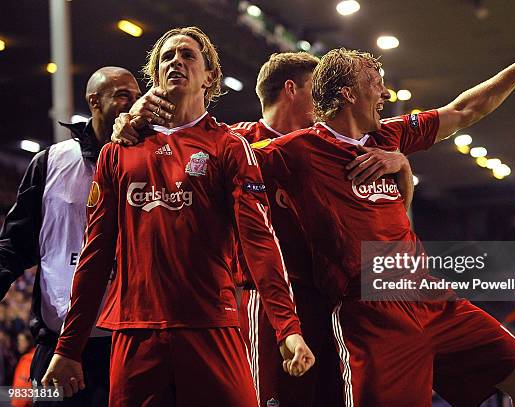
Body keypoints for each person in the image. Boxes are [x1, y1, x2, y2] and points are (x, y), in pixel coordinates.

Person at [250, 39, 515, 406]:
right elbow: (219, 153)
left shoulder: (389, 135)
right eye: (375, 82)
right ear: (347, 93)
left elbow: (464, 110)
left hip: (430, 296)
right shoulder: (295, 151)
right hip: (372, 313)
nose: (385, 92)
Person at [112, 51, 415, 406]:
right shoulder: (239, 142)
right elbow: (187, 141)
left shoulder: (341, 147)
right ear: (291, 90)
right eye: (314, 87)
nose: (323, 96)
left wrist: (402, 165)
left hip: (334, 299)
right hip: (262, 302)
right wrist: (131, 120)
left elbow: (459, 113)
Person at [41, 27, 314, 406]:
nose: (176, 62)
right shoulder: (118, 153)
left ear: (209, 78)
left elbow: (260, 243)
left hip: (210, 326)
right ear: (154, 77)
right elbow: (95, 253)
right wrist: (68, 347)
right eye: (167, 57)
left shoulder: (229, 147)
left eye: (188, 56)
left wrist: (287, 328)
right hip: (135, 332)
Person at [0, 66, 141, 406]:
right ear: (94, 101)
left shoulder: (151, 161)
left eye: (136, 97)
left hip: (130, 343)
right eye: (122, 96)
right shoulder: (49, 162)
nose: (132, 105)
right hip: (58, 346)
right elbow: (15, 245)